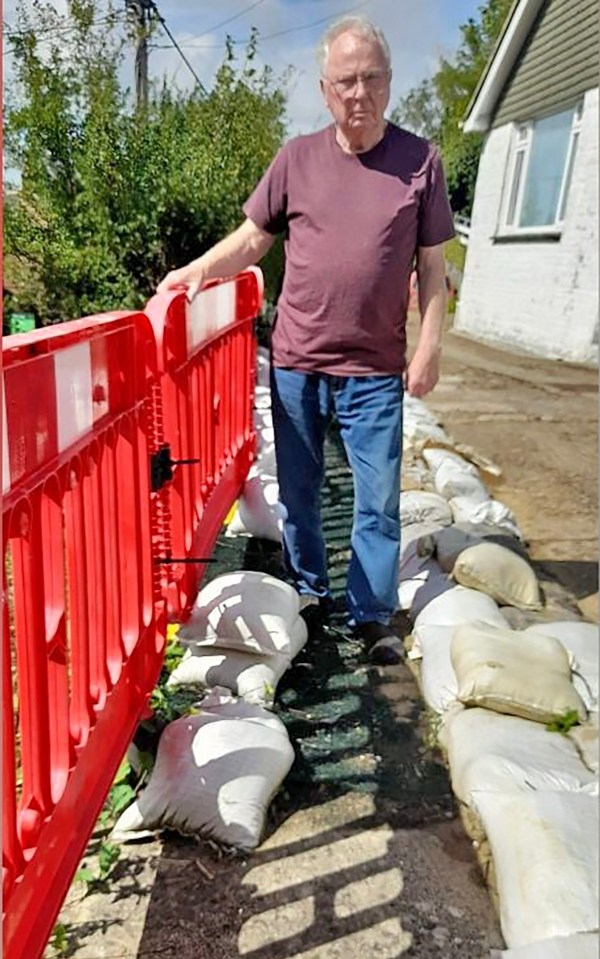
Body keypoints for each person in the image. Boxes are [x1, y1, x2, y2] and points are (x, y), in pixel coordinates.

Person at [157, 16, 455, 663]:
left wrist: (429, 344)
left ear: (389, 82)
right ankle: (310, 593)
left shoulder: (420, 163)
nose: (358, 92)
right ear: (325, 89)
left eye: (371, 77)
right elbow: (253, 241)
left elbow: (433, 269)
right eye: (345, 80)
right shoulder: (296, 159)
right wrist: (192, 273)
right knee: (299, 494)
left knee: (376, 501)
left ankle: (373, 616)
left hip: (375, 371)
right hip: (296, 363)